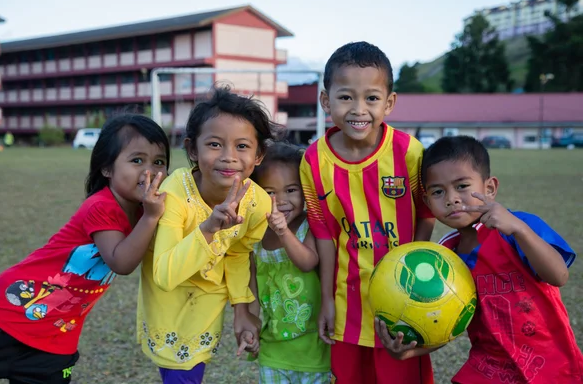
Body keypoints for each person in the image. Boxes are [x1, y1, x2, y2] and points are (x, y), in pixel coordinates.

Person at [378, 135, 583, 383]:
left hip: (550, 365)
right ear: (427, 202)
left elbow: (558, 276)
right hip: (487, 369)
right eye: (438, 191)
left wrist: (519, 229)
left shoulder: (519, 227)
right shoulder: (445, 259)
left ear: (490, 188)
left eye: (462, 186)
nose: (451, 198)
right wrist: (407, 352)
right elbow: (451, 323)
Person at [0, 113, 170, 383]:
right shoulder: (101, 206)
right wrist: (152, 217)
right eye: (137, 160)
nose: (150, 171)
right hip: (5, 316)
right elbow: (121, 262)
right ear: (107, 168)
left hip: (55, 340)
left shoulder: (146, 211)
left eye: (159, 162)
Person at [299, 41, 436, 384]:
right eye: (346, 97)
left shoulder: (409, 152)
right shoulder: (314, 161)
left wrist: (411, 285)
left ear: (389, 103)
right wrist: (327, 300)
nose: (359, 109)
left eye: (371, 98)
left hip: (403, 302)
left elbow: (426, 215)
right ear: (325, 100)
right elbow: (324, 236)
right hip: (348, 308)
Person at [137, 86, 280, 384]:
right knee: (174, 371)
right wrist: (209, 228)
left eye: (242, 146)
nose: (229, 157)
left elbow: (238, 254)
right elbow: (164, 274)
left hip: (206, 302)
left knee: (187, 373)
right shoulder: (174, 193)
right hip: (166, 300)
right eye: (215, 144)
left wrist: (242, 311)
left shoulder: (258, 204)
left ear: (258, 155)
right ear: (192, 149)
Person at [247, 142, 330, 383]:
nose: (281, 201)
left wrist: (284, 232)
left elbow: (308, 262)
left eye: (291, 190)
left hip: (315, 352)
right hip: (273, 352)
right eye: (270, 192)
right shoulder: (255, 235)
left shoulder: (311, 226)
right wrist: (249, 330)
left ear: (306, 190)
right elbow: (252, 293)